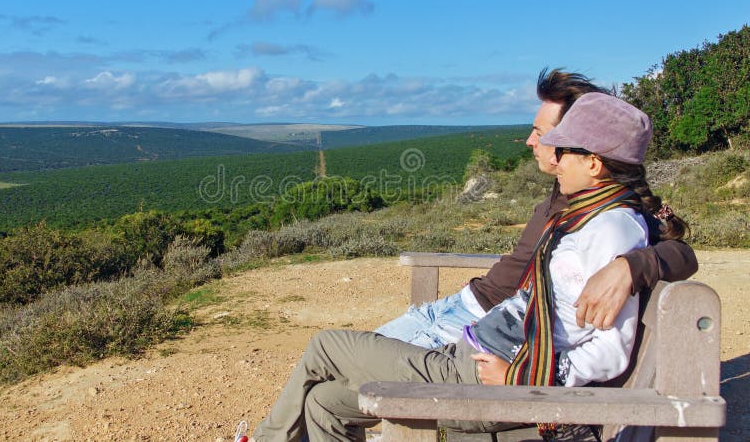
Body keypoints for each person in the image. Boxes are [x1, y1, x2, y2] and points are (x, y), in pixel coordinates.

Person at [249, 93, 690, 441]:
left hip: (484, 375)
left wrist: (519, 380)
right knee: (326, 402)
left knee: (325, 348)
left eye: (561, 146)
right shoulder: (592, 214)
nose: (549, 151)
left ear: (593, 163)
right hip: (474, 351)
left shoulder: (610, 231)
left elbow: (611, 350)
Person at [375, 69, 697, 348]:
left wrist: (631, 267)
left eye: (541, 133)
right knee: (336, 361)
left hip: (477, 325)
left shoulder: (602, 206)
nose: (530, 141)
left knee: (339, 369)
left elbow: (682, 255)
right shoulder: (566, 186)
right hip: (457, 306)